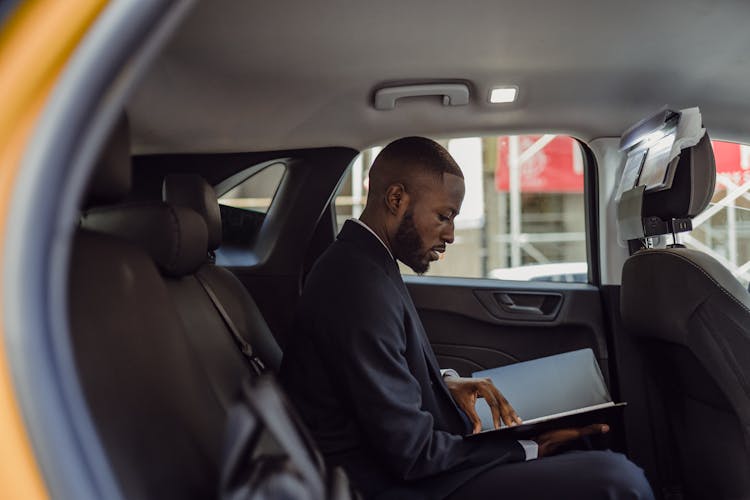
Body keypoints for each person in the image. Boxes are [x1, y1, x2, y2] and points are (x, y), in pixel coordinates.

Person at [280, 137, 654, 499]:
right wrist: (526, 448)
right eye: (444, 216)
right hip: (382, 484)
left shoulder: (366, 263)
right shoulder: (355, 285)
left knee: (582, 440)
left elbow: (385, 372)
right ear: (396, 199)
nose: (452, 235)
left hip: (393, 465)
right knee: (618, 479)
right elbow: (412, 456)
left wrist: (444, 384)